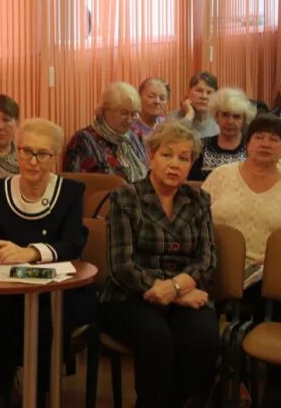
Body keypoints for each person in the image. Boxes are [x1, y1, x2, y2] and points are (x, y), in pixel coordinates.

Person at [0, 118, 90, 408]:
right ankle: (0, 396)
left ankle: (39, 394)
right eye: (26, 151)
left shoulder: (70, 192)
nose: (32, 161)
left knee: (43, 318)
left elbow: (73, 243)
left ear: (55, 157)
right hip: (8, 288)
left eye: (42, 154)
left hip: (57, 291)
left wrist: (31, 253)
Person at [99, 121, 217, 408]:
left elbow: (207, 259)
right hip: (129, 296)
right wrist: (170, 289)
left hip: (183, 291)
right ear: (151, 156)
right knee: (157, 340)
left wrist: (175, 288)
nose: (175, 164)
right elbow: (122, 266)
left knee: (203, 337)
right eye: (167, 155)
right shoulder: (126, 197)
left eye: (184, 157)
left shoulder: (198, 199)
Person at [202, 114, 281, 265]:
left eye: (274, 139)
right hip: (215, 265)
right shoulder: (221, 174)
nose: (265, 144)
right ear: (247, 144)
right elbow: (197, 220)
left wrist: (275, 259)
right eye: (259, 137)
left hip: (269, 272)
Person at [63, 82, 149, 181]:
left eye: (133, 114)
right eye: (124, 113)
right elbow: (71, 184)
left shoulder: (134, 135)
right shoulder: (84, 140)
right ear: (105, 110)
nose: (129, 120)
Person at [188, 87, 255, 180]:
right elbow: (191, 183)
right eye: (225, 115)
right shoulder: (201, 146)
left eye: (236, 117)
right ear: (216, 116)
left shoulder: (252, 147)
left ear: (244, 120)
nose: (230, 121)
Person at [165, 71, 220, 137]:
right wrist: (189, 115)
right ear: (188, 93)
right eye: (199, 90)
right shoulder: (172, 118)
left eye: (209, 92)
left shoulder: (218, 120)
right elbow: (174, 141)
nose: (204, 96)